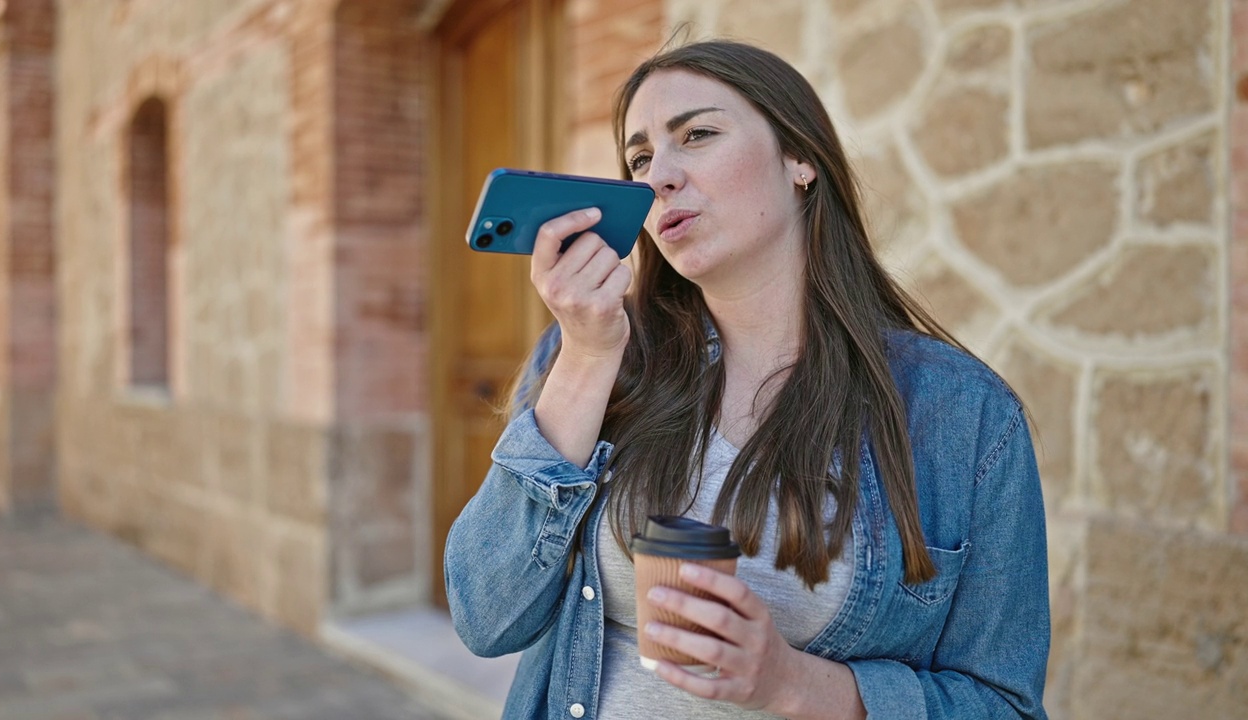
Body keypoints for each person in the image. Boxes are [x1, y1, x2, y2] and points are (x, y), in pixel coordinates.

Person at [444, 39, 1050, 720]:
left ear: (801, 160)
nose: (658, 177)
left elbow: (1005, 705)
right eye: (640, 158)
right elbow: (484, 616)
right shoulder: (593, 351)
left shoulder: (962, 416)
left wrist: (792, 684)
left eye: (696, 135)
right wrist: (586, 359)